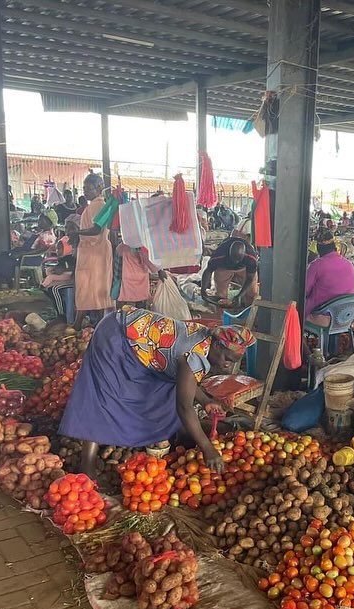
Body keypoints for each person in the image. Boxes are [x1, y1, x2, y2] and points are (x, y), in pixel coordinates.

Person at [59, 307, 255, 477]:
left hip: (137, 342)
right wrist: (207, 448)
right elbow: (184, 407)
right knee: (105, 398)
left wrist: (205, 401)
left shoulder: (206, 341)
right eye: (227, 358)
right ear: (218, 345)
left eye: (233, 362)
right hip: (116, 336)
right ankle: (87, 468)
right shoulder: (195, 356)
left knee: (162, 391)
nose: (227, 365)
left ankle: (156, 444)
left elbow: (187, 384)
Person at [73, 173, 114, 329]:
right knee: (93, 288)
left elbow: (97, 230)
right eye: (84, 188)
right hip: (93, 252)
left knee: (90, 287)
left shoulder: (98, 205)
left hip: (95, 252)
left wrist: (77, 232)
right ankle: (99, 323)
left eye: (89, 188)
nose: (85, 191)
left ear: (99, 188)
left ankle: (78, 324)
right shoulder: (94, 205)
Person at [304, 228, 354, 326]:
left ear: (318, 248)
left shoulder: (316, 265)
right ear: (334, 247)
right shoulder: (349, 264)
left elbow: (304, 291)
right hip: (347, 317)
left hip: (323, 318)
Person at [200, 235, 259, 308]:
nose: (235, 263)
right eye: (233, 260)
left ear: (244, 255)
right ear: (228, 253)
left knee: (252, 293)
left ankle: (248, 312)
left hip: (243, 269)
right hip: (224, 269)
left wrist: (240, 295)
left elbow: (250, 278)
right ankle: (222, 314)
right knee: (220, 296)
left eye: (237, 261)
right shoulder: (219, 254)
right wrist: (203, 290)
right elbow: (208, 271)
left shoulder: (251, 258)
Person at [113, 242, 164, 307]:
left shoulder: (120, 247)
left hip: (126, 279)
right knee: (140, 304)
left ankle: (124, 315)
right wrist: (159, 271)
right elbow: (148, 261)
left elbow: (116, 267)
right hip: (140, 279)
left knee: (125, 304)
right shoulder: (139, 246)